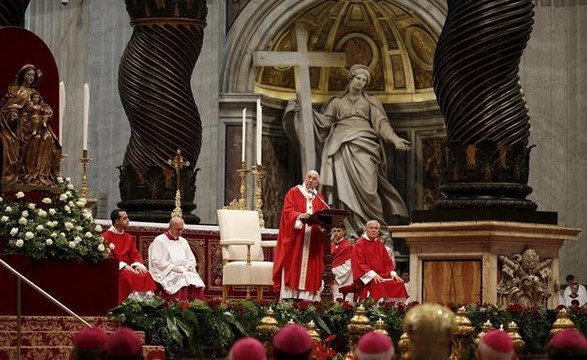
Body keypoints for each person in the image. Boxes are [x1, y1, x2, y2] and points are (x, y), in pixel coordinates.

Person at [313, 64, 410, 242]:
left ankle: (377, 231)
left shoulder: (370, 101)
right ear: (350, 78)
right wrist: (303, 113)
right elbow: (323, 123)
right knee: (343, 190)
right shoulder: (336, 102)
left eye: (364, 80)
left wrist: (395, 139)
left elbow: (381, 124)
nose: (361, 82)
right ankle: (348, 231)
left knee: (369, 190)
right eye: (358, 78)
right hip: (341, 147)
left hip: (365, 146)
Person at [272, 170, 329, 301]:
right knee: (293, 265)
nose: (311, 180)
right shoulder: (294, 192)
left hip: (312, 240)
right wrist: (299, 216)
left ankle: (308, 300)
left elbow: (323, 214)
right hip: (296, 238)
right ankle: (289, 298)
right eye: (309, 177)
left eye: (314, 179)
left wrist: (322, 223)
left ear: (317, 182)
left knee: (311, 268)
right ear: (305, 177)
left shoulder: (319, 197)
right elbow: (287, 211)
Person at [102, 209, 157, 303]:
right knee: (127, 277)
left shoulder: (128, 237)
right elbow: (108, 257)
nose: (128, 220)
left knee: (145, 274)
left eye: (127, 218)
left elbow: (134, 254)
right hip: (116, 268)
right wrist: (123, 266)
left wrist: (137, 265)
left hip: (129, 267)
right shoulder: (106, 236)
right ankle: (128, 306)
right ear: (117, 221)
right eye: (125, 218)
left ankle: (146, 306)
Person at [0, 64, 42, 184]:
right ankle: (16, 174)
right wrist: (13, 113)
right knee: (11, 142)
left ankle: (32, 174)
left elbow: (42, 108)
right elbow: (8, 108)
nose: (31, 77)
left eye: (33, 75)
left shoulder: (34, 92)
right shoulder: (16, 91)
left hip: (34, 125)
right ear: (23, 76)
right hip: (17, 126)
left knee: (45, 138)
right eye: (29, 74)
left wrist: (47, 112)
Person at [148, 216, 205, 300]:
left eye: (182, 229)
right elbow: (156, 260)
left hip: (183, 269)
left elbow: (191, 258)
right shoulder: (160, 240)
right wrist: (172, 267)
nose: (180, 232)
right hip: (167, 271)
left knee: (194, 278)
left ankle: (196, 306)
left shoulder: (183, 241)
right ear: (170, 228)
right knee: (181, 281)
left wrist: (190, 266)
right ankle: (179, 305)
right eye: (178, 229)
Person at [350, 220, 407, 302]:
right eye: (371, 228)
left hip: (383, 275)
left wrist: (392, 273)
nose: (374, 230)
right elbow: (359, 263)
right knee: (378, 285)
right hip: (368, 277)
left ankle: (394, 311)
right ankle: (378, 311)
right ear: (366, 229)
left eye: (376, 228)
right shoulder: (359, 244)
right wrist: (373, 275)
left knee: (398, 283)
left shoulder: (380, 245)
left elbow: (388, 262)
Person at [19, 89, 61, 186]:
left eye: (38, 97)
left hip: (41, 127)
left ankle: (42, 172)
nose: (36, 99)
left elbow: (46, 110)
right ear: (32, 98)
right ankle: (31, 172)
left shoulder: (41, 107)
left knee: (49, 138)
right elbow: (24, 116)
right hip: (31, 127)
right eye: (35, 97)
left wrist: (47, 114)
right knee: (36, 139)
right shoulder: (29, 106)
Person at [330, 225, 353, 301]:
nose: (336, 233)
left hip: (341, 278)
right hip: (330, 276)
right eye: (334, 231)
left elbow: (348, 265)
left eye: (338, 231)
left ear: (344, 232)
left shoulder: (348, 246)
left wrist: (332, 271)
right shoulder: (331, 245)